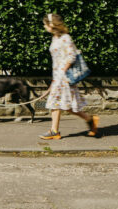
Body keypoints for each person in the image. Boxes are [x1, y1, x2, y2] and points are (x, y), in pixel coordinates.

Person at [39, 12, 99, 140]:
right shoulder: (55, 37)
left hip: (64, 77)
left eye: (45, 24)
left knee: (58, 103)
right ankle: (89, 120)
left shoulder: (66, 38)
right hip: (58, 76)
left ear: (52, 25)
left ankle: (55, 131)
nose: (44, 27)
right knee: (66, 105)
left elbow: (71, 56)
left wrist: (61, 74)